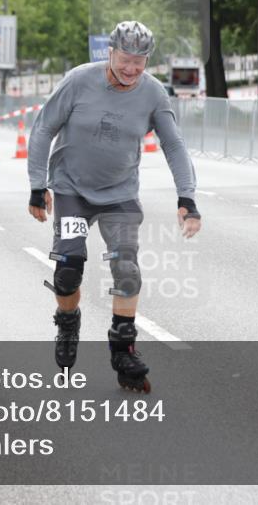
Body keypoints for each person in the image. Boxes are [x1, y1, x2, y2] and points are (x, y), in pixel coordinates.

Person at [26, 21, 201, 393]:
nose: (131, 69)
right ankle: (67, 321)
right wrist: (38, 186)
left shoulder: (153, 93)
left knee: (126, 268)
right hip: (71, 191)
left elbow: (174, 144)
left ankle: (123, 351)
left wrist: (186, 198)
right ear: (110, 53)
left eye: (139, 62)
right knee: (68, 269)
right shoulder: (79, 81)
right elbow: (43, 129)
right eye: (125, 60)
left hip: (120, 195)